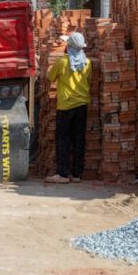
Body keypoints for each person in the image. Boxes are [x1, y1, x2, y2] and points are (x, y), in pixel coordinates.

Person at [44, 32, 93, 184]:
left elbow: (50, 77)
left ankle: (63, 174)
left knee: (63, 140)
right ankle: (76, 174)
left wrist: (48, 69)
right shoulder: (87, 63)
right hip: (82, 105)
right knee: (79, 140)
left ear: (69, 47)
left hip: (65, 106)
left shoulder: (62, 62)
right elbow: (89, 81)